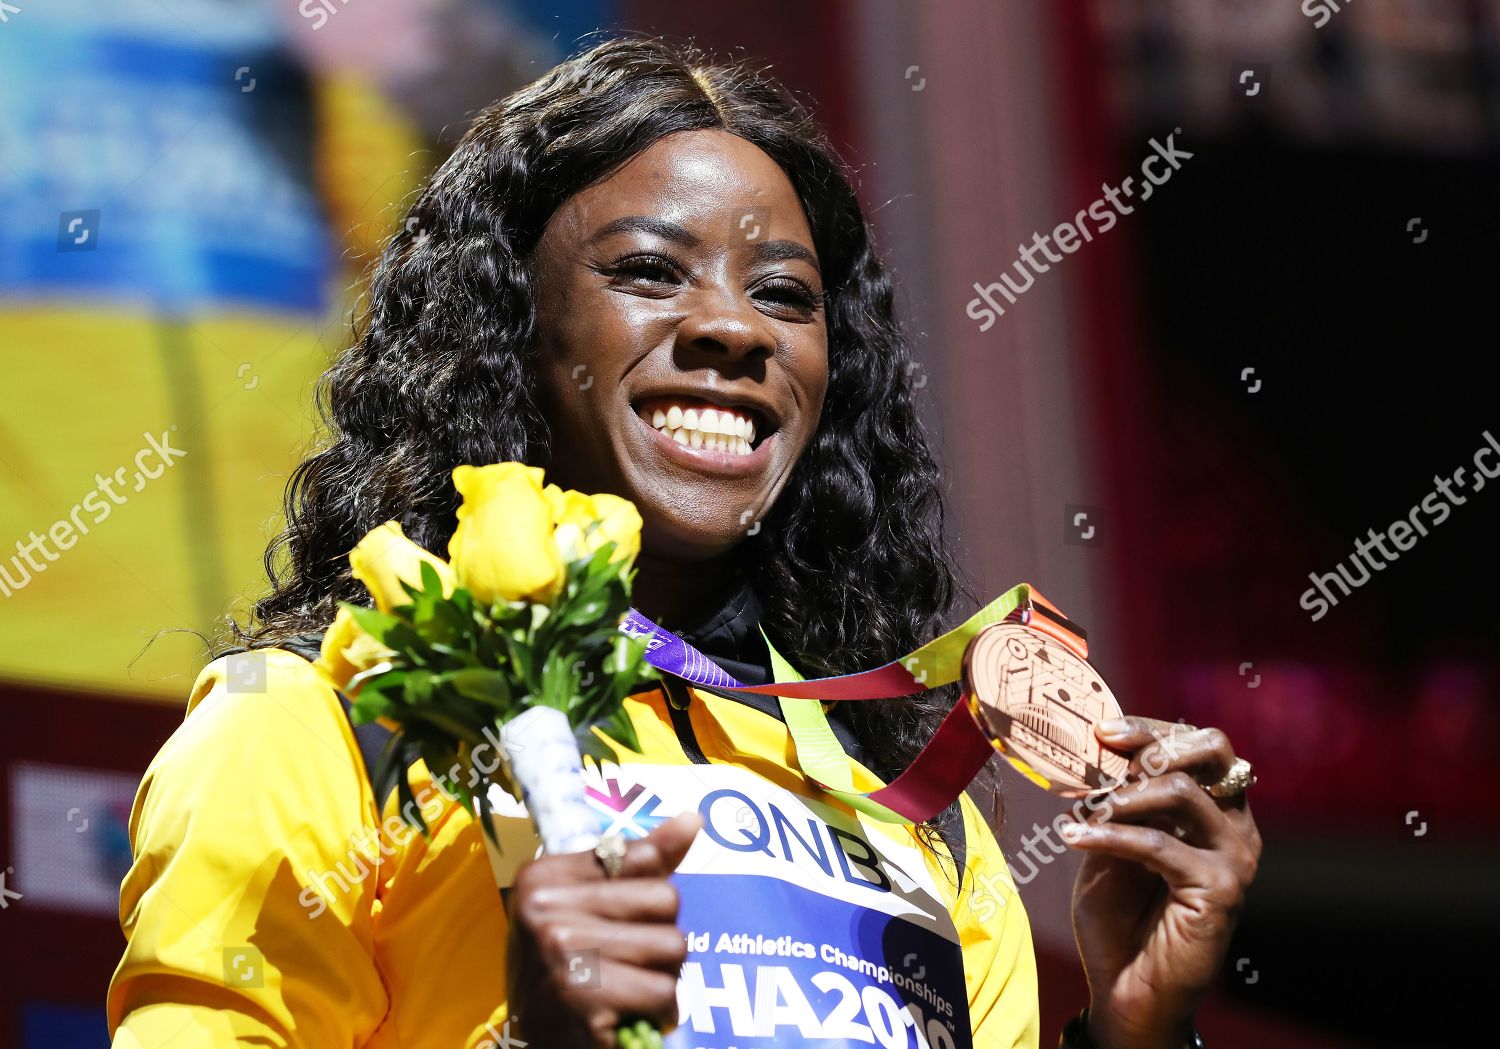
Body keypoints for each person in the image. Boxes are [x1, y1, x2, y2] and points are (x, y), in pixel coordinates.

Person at [108, 36, 1261, 1049]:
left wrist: (1139, 1026)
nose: (730, 326)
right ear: (511, 327)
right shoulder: (318, 724)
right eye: (650, 272)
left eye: (786, 295)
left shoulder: (918, 815)